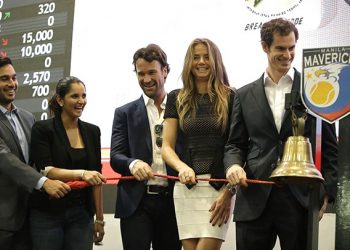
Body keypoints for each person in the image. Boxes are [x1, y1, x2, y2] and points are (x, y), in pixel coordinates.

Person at [224, 18, 338, 250]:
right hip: (254, 197)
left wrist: (327, 191)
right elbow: (234, 145)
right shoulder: (243, 95)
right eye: (280, 48)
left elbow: (329, 146)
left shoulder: (314, 89)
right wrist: (233, 166)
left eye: (292, 48)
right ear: (265, 47)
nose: (287, 55)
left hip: (300, 199)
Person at [161, 38, 236, 250]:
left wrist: (229, 191)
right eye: (196, 57)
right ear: (189, 62)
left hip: (219, 187)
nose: (201, 62)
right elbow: (166, 146)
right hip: (186, 187)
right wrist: (181, 167)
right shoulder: (176, 97)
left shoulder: (231, 96)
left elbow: (239, 146)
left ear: (216, 61)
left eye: (206, 57)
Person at [110, 44, 181, 250]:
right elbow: (115, 156)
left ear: (165, 71)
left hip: (174, 201)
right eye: (140, 74)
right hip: (136, 203)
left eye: (152, 72)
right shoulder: (124, 112)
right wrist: (132, 164)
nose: (146, 79)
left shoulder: (183, 108)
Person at [0, 56, 71, 250]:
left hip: (30, 217)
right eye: (4, 79)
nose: (12, 84)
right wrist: (44, 183)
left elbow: (36, 160)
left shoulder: (28, 117)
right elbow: (5, 159)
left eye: (14, 78)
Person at [29, 76, 107, 250]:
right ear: (60, 100)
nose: (81, 101)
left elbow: (97, 178)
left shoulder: (93, 131)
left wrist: (100, 219)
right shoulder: (43, 129)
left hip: (82, 215)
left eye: (84, 96)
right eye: (75, 96)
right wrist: (82, 173)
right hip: (47, 214)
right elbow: (46, 171)